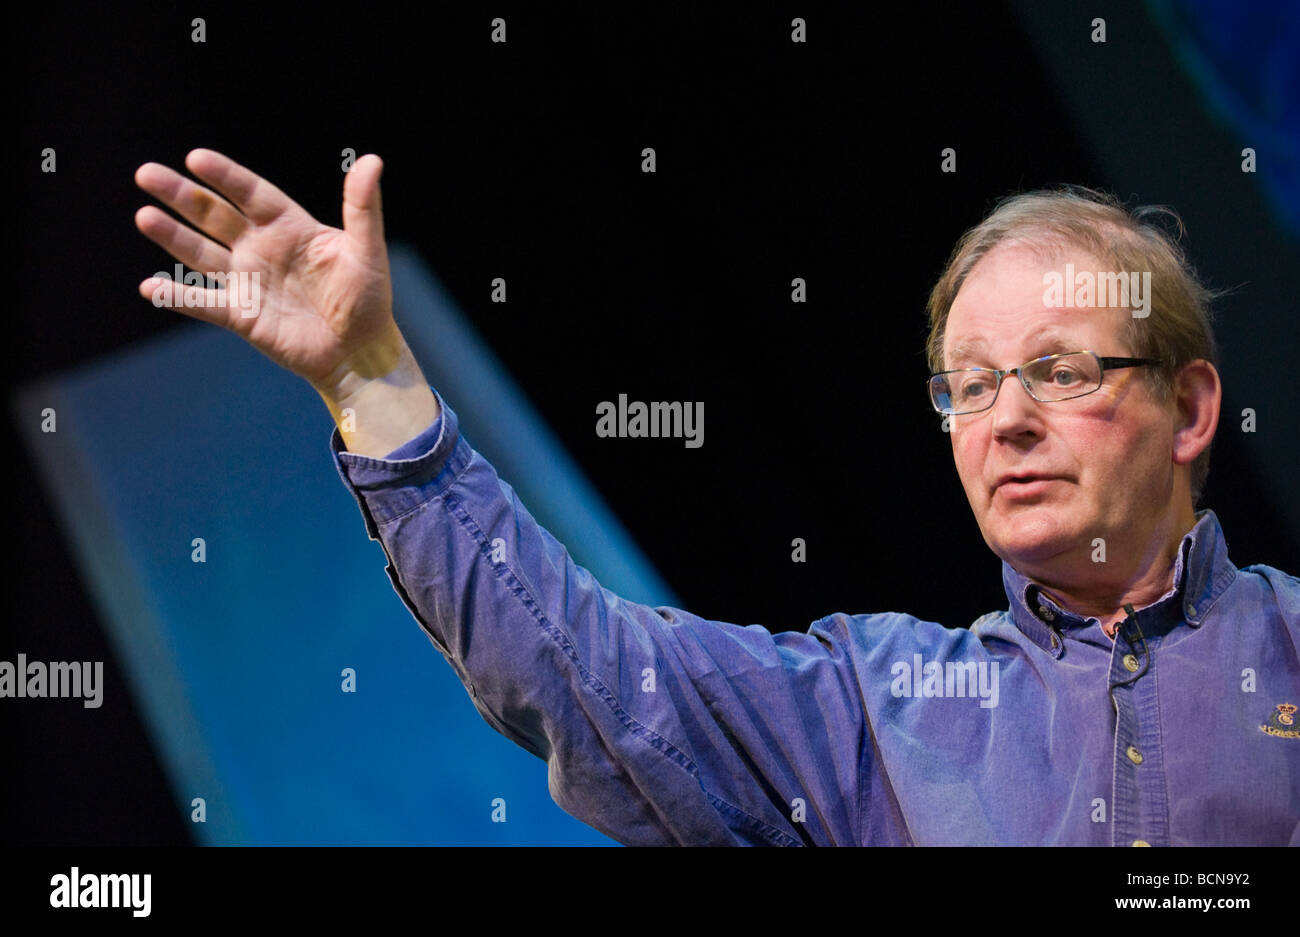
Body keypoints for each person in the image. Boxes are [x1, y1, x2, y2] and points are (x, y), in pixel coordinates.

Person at [134, 149, 1300, 846]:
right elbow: (582, 673)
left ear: (1191, 411)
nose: (1006, 419)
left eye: (1056, 371)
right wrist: (369, 381)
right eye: (971, 385)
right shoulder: (878, 712)